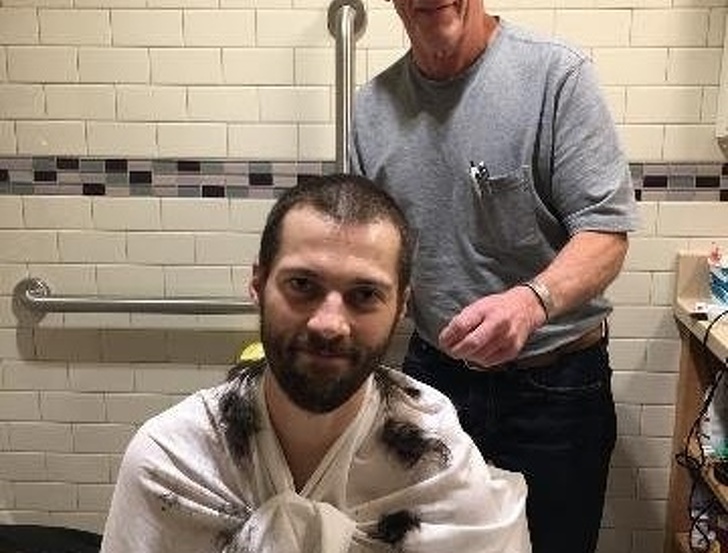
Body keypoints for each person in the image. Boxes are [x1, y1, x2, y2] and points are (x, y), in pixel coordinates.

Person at [351, 0, 639, 553]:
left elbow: (606, 232)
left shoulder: (556, 76)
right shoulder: (370, 108)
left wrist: (532, 301)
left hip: (556, 389)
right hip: (432, 381)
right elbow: (368, 254)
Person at [100, 174, 531, 553]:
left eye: (364, 295)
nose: (329, 325)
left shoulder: (439, 466)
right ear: (258, 283)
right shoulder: (175, 460)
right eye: (302, 285)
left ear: (401, 307)